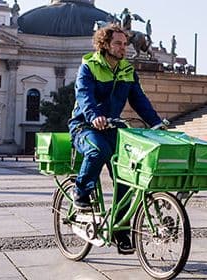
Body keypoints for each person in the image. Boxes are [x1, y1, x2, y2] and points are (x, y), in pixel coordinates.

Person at [68, 24, 163, 254]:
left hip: (113, 129)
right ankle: (80, 190)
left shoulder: (127, 70)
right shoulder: (89, 67)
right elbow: (84, 96)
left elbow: (139, 101)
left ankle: (120, 230)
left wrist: (157, 123)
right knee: (98, 150)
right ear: (105, 45)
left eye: (125, 44)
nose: (123, 48)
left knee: (127, 179)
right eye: (118, 44)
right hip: (84, 127)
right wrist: (94, 117)